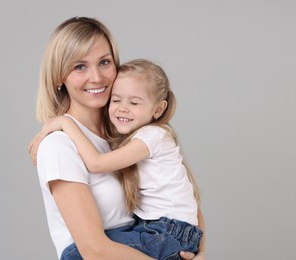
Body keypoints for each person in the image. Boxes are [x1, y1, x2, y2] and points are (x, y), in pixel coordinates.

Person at [29, 16, 205, 260]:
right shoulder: (59, 145)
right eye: (79, 66)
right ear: (59, 77)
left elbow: (185, 197)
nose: (97, 77)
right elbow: (94, 251)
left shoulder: (127, 133)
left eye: (104, 62)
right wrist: (65, 122)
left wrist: (200, 253)